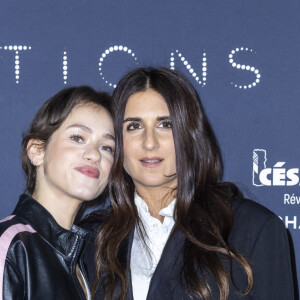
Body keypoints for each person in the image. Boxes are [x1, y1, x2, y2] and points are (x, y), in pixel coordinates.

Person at [83, 67, 294, 300]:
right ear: (116, 141)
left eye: (166, 124)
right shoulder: (93, 239)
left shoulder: (252, 228)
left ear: (189, 134)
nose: (149, 142)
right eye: (134, 126)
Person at [0, 86, 115, 300]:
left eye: (107, 147)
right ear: (37, 151)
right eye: (78, 138)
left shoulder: (87, 263)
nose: (94, 155)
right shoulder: (11, 247)